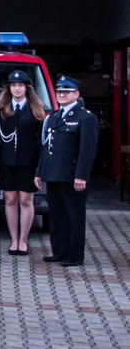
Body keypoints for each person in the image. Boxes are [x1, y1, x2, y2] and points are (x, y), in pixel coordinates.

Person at [37, 76, 98, 268]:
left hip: (72, 176)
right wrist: (40, 172)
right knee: (56, 216)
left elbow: (87, 150)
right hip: (53, 174)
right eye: (59, 92)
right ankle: (59, 251)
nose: (62, 95)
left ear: (76, 94)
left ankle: (75, 255)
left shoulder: (86, 117)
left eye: (66, 92)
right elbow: (46, 147)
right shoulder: (54, 117)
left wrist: (81, 175)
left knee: (74, 216)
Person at [0, 70, 45, 256]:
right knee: (10, 200)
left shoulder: (36, 110)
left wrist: (41, 166)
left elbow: (42, 142)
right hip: (6, 162)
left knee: (25, 200)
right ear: (8, 88)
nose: (16, 88)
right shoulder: (0, 109)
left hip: (28, 163)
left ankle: (23, 240)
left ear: (27, 88)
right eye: (13, 85)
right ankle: (13, 240)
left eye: (20, 85)